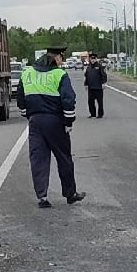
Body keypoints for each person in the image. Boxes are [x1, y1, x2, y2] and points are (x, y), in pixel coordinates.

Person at [19, 47, 82, 209]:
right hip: (55, 121)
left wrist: (28, 114)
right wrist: (69, 122)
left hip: (35, 121)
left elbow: (21, 98)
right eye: (62, 57)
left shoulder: (27, 73)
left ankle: (42, 196)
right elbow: (68, 99)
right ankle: (70, 193)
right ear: (57, 58)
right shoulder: (59, 74)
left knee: (38, 158)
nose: (62, 60)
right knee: (63, 157)